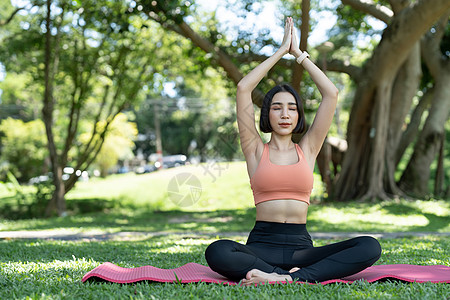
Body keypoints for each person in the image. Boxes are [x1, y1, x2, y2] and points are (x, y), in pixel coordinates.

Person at [204, 17, 381, 286]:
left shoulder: (308, 149)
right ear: (267, 114)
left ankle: (285, 278)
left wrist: (299, 55)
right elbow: (243, 88)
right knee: (218, 251)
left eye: (292, 107)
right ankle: (289, 277)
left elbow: (331, 93)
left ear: (299, 115)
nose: (285, 114)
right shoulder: (254, 149)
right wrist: (279, 52)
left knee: (369, 246)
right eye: (276, 107)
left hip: (302, 249)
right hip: (261, 247)